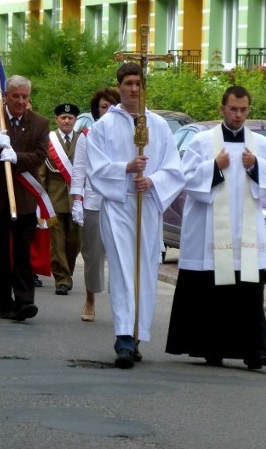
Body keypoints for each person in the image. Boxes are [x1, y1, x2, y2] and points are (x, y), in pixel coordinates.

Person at [165, 85, 266, 370]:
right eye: (233, 109)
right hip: (209, 230)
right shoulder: (202, 141)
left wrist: (255, 165)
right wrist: (214, 166)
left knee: (249, 293)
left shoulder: (259, 144)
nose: (238, 115)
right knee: (211, 292)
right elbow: (187, 178)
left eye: (243, 110)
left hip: (245, 235)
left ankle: (255, 351)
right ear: (222, 109)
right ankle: (210, 349)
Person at [86, 62, 184, 368]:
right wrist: (125, 169)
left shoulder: (158, 125)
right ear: (119, 86)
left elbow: (174, 168)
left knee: (144, 269)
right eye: (128, 83)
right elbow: (95, 168)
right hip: (118, 204)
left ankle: (138, 332)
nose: (133, 89)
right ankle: (123, 337)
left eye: (138, 83)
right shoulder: (104, 126)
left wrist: (152, 180)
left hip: (147, 203)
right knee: (123, 268)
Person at [0, 75, 50, 322]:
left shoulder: (40, 123)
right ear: (7, 96)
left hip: (24, 197)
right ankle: (4, 303)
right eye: (16, 96)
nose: (21, 101)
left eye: (25, 97)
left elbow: (40, 155)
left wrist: (18, 157)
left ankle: (25, 301)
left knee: (23, 251)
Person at [70, 86, 120, 322]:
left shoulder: (127, 134)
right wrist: (77, 200)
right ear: (96, 110)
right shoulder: (86, 135)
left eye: (112, 106)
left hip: (121, 202)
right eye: (103, 106)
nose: (108, 110)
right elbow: (78, 170)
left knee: (121, 254)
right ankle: (90, 298)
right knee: (92, 255)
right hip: (94, 201)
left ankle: (121, 300)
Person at [41, 103, 81, 296]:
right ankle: (61, 279)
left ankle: (68, 272)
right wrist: (41, 199)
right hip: (54, 199)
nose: (66, 121)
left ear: (75, 120)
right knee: (57, 243)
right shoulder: (49, 140)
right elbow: (42, 171)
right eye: (63, 117)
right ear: (56, 119)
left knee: (74, 242)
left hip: (77, 201)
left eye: (70, 118)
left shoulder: (83, 140)